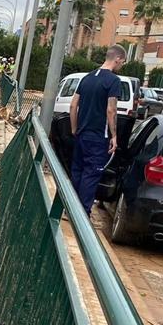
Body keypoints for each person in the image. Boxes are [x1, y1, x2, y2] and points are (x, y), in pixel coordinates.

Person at [69, 45, 126, 213]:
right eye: (122, 62)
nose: (121, 65)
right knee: (91, 175)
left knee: (77, 171)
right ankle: (82, 214)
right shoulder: (114, 81)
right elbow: (111, 110)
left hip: (81, 134)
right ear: (117, 59)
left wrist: (74, 128)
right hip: (98, 137)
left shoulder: (87, 78)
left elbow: (73, 106)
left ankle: (69, 209)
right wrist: (114, 136)